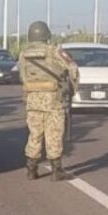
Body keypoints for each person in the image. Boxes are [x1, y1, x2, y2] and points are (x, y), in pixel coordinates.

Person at [19, 21, 79, 181]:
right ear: (46, 35)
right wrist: (72, 89)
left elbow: (23, 77)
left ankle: (31, 169)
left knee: (34, 134)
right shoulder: (54, 51)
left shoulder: (23, 54)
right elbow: (72, 68)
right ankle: (56, 170)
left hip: (32, 100)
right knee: (54, 134)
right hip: (53, 100)